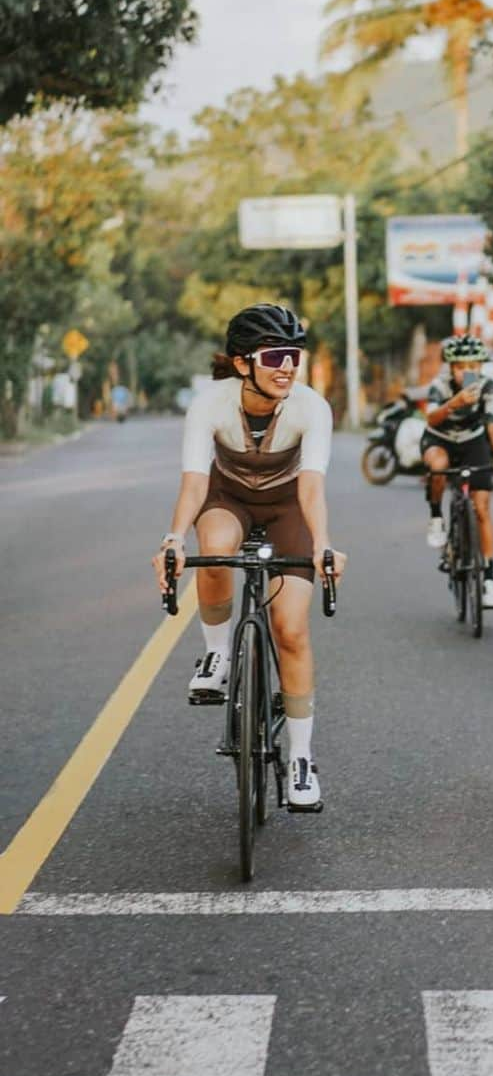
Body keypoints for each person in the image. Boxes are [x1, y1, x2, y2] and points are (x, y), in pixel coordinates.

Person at [151, 303, 346, 811]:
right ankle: (217, 651)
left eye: (294, 356)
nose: (287, 367)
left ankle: (301, 757)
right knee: (214, 550)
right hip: (227, 498)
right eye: (274, 356)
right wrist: (173, 538)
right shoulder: (210, 404)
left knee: (291, 628)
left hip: (289, 507)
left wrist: (322, 542)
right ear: (243, 363)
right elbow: (195, 481)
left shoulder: (310, 407)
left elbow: (312, 487)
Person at [422, 334, 493, 609]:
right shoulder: (439, 386)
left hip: (473, 441)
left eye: (473, 366)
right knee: (437, 466)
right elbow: (430, 417)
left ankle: (488, 580)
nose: (467, 372)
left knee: (482, 508)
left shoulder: (488, 387)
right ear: (451, 368)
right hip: (440, 439)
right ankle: (437, 517)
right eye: (461, 367)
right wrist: (455, 403)